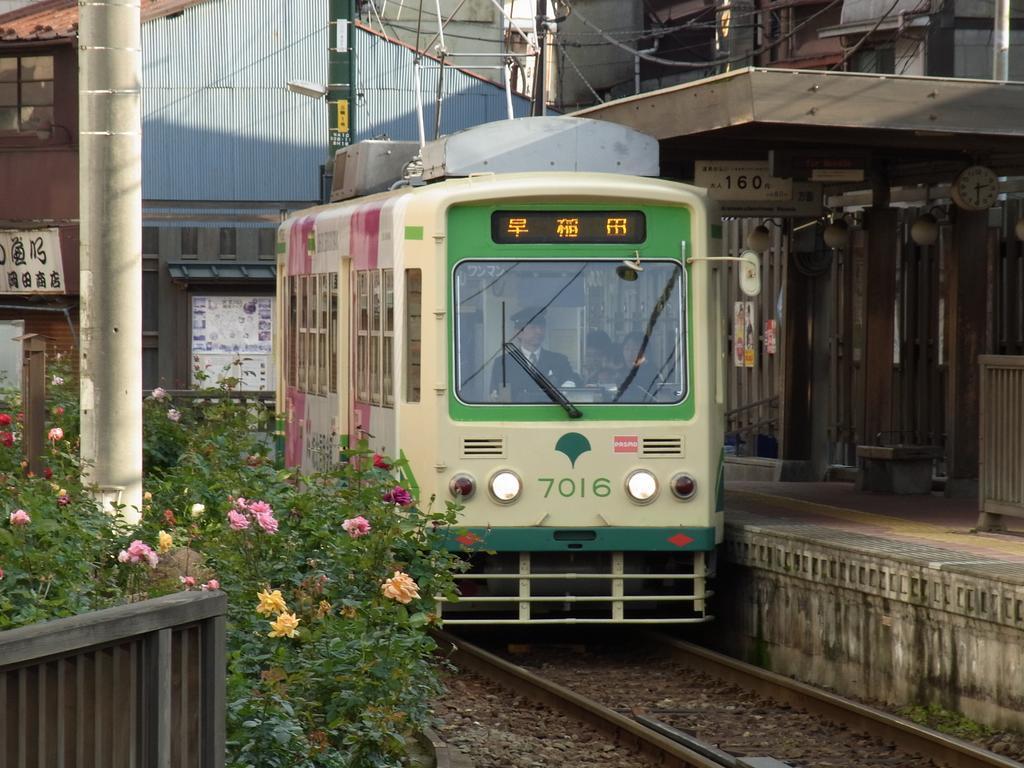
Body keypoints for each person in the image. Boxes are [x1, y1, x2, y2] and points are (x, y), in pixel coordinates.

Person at [490, 307, 578, 401]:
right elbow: (498, 397)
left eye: (542, 327)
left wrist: (569, 385)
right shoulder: (504, 363)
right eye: (533, 328)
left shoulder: (559, 360)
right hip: (518, 414)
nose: (539, 332)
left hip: (550, 414)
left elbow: (572, 382)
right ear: (518, 333)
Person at [615, 330, 668, 402]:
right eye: (627, 348)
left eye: (635, 349)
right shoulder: (619, 372)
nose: (630, 354)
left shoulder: (651, 372)